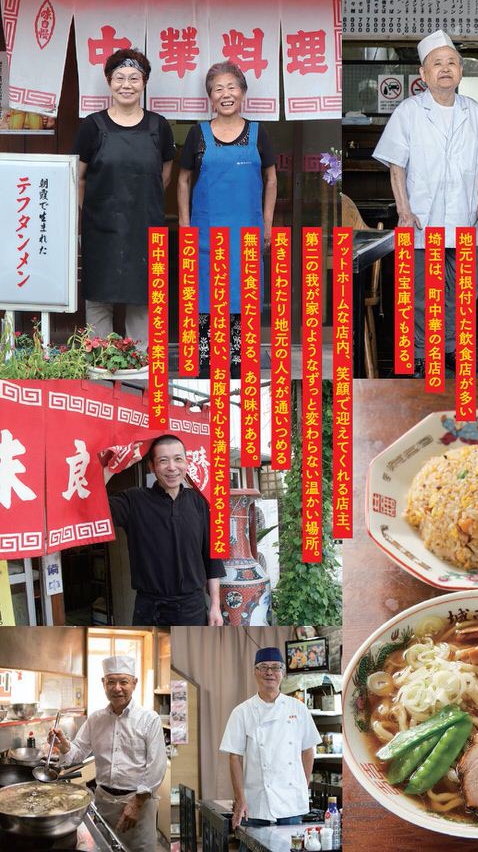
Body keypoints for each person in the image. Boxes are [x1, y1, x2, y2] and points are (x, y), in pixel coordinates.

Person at [373, 30, 478, 376]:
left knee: (464, 290)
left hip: (462, 214)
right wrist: (403, 208)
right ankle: (417, 354)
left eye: (451, 63)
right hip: (420, 217)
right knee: (418, 292)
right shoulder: (409, 111)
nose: (445, 69)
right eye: (437, 64)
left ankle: (449, 348)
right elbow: (396, 164)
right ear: (424, 73)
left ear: (460, 71)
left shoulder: (473, 112)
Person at [177, 62, 277, 378]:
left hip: (247, 232)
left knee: (242, 296)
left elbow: (272, 180)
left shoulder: (259, 133)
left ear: (243, 93)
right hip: (206, 234)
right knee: (206, 296)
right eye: (218, 89)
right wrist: (184, 224)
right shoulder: (198, 133)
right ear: (210, 97)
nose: (226, 94)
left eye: (232, 87)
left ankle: (238, 361)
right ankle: (206, 361)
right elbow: (182, 180)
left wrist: (268, 224)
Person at [74, 48, 176, 349]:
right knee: (99, 299)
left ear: (144, 83)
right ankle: (98, 366)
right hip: (101, 228)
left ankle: (141, 370)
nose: (126, 85)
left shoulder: (159, 126)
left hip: (145, 226)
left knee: (143, 300)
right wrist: (93, 210)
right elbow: (78, 176)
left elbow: (165, 174)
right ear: (109, 82)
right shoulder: (92, 126)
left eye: (134, 78)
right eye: (119, 78)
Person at [50, 656, 166, 852]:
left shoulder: (149, 719)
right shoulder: (96, 719)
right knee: (103, 847)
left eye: (123, 682)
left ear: (134, 684)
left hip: (139, 805)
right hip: (104, 803)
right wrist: (64, 746)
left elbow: (156, 767)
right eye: (111, 681)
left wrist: (137, 804)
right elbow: (77, 754)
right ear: (103, 684)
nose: (117, 688)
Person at [108, 434, 225, 626]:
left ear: (186, 463)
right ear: (152, 467)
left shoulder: (199, 502)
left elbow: (212, 558)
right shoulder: (134, 500)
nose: (172, 467)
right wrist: (113, 468)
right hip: (150, 610)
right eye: (163, 461)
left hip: (193, 608)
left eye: (178, 459)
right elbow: (92, 505)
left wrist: (215, 606)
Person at [220, 647, 321, 829]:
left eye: (275, 667)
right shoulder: (242, 712)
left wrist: (301, 785)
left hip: (291, 802)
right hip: (257, 801)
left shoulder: (298, 709)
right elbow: (234, 757)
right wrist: (240, 798)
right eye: (263, 667)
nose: (269, 672)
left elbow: (308, 750)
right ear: (255, 672)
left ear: (282, 672)